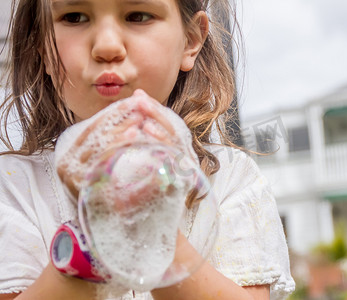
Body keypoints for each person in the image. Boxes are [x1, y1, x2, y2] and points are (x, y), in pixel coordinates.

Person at [0, 0, 295, 299]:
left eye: (137, 16)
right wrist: (93, 237)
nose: (106, 46)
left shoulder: (232, 179)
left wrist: (149, 225)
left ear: (191, 40)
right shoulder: (13, 187)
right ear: (41, 47)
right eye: (74, 17)